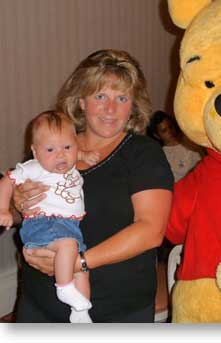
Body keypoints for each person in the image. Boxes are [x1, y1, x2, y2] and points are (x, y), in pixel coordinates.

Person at [12, 49, 174, 322]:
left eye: (121, 98)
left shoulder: (143, 154)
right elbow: (20, 216)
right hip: (37, 301)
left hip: (113, 308)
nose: (110, 109)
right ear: (82, 102)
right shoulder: (55, 144)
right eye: (100, 96)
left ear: (133, 106)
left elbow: (150, 231)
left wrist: (77, 262)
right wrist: (17, 203)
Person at [0, 110, 99, 323]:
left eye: (67, 147)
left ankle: (81, 313)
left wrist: (84, 156)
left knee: (82, 271)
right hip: (45, 223)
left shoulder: (70, 161)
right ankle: (64, 288)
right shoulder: (35, 168)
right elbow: (7, 180)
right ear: (35, 152)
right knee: (68, 247)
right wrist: (3, 209)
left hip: (69, 226)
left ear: (75, 144)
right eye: (50, 149)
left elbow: (73, 153)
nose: (60, 155)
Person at [148, 110, 204, 182]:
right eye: (164, 130)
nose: (170, 132)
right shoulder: (161, 156)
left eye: (170, 127)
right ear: (157, 135)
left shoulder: (189, 140)